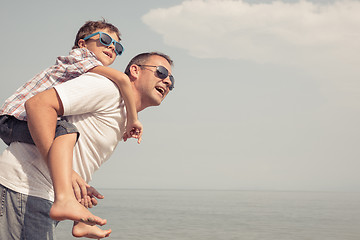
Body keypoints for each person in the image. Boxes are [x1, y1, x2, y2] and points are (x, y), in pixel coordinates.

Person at [0, 52, 175, 239]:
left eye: (172, 81)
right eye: (162, 72)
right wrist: (68, 175)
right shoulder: (108, 88)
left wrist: (79, 188)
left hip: (42, 197)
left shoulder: (123, 116)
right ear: (135, 70)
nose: (168, 82)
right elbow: (38, 104)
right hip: (24, 189)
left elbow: (73, 151)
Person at [0, 20, 143, 227]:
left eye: (117, 47)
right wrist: (133, 119)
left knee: (65, 151)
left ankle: (80, 218)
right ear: (82, 44)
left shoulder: (89, 71)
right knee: (66, 131)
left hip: (18, 121)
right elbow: (122, 80)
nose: (112, 47)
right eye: (105, 40)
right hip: (13, 118)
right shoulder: (81, 58)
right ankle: (65, 200)